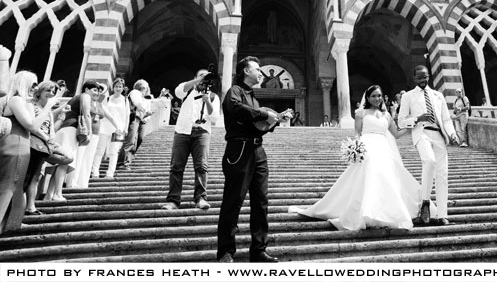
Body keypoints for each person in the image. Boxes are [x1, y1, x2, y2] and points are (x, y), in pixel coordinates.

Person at [289, 85, 430, 230]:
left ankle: (384, 213)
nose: (377, 98)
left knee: (387, 177)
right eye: (374, 96)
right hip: (367, 146)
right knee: (370, 175)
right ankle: (367, 212)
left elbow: (397, 135)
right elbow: (357, 132)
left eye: (379, 96)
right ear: (368, 98)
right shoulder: (360, 113)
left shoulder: (386, 115)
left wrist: (414, 123)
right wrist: (355, 146)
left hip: (384, 148)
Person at [216, 56, 292, 263]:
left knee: (261, 202)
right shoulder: (235, 92)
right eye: (257, 69)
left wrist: (276, 119)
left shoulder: (254, 97)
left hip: (257, 150)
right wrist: (263, 114)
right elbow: (235, 108)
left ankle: (258, 250)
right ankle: (225, 252)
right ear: (245, 72)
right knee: (233, 201)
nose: (261, 73)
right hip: (239, 149)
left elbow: (259, 126)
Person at [398, 65, 459, 226]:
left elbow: (446, 119)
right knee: (429, 161)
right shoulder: (408, 97)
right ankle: (425, 202)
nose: (422, 80)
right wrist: (417, 119)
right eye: (419, 78)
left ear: (429, 76)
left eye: (424, 77)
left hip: (439, 135)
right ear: (414, 79)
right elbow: (401, 121)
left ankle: (442, 215)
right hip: (422, 133)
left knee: (442, 175)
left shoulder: (438, 96)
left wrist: (452, 133)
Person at [0, 71, 52, 234]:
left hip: (22, 146)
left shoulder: (23, 102)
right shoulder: (15, 100)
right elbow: (32, 125)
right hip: (13, 146)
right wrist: (48, 107)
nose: (36, 87)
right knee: (7, 186)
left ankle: (11, 224)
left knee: (15, 186)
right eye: (34, 83)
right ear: (23, 83)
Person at [162, 68, 220, 211]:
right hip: (182, 131)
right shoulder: (187, 90)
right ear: (195, 77)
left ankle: (200, 198)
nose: (204, 79)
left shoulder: (213, 96)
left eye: (206, 77)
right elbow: (177, 91)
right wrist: (198, 80)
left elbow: (214, 118)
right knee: (176, 166)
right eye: (201, 76)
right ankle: (173, 200)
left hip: (202, 133)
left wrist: (208, 102)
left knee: (201, 167)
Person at [46, 80, 98, 199]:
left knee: (60, 163)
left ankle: (49, 195)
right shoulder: (85, 96)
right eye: (94, 90)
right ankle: (58, 193)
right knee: (64, 163)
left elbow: (53, 112)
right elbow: (86, 114)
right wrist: (89, 132)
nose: (96, 93)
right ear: (86, 89)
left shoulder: (74, 98)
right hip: (71, 131)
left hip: (62, 130)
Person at [25, 81, 68, 216]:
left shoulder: (48, 110)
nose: (51, 94)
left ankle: (32, 204)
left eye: (53, 92)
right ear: (40, 91)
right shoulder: (31, 105)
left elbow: (52, 130)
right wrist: (47, 138)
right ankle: (29, 206)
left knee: (37, 176)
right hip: (33, 144)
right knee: (31, 176)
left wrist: (61, 117)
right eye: (48, 91)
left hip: (45, 145)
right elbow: (33, 126)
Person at [91, 78, 129, 179]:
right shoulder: (107, 98)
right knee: (100, 150)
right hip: (105, 127)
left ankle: (110, 173)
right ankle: (95, 171)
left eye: (120, 87)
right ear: (113, 87)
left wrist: (125, 128)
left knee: (114, 151)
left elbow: (127, 115)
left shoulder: (125, 100)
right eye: (116, 86)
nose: (118, 88)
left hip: (119, 128)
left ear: (123, 88)